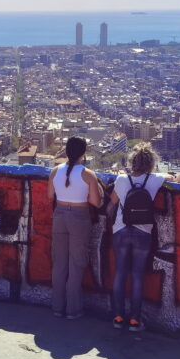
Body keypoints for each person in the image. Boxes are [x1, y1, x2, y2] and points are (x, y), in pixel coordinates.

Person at [106, 143, 165, 332]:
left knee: (120, 273)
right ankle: (134, 320)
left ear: (132, 162)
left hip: (121, 230)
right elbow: (175, 177)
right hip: (143, 232)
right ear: (151, 163)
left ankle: (117, 317)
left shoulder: (122, 179)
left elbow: (113, 202)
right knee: (138, 276)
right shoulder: (156, 180)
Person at [47, 136, 104, 319]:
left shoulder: (55, 171)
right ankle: (73, 310)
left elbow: (50, 196)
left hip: (59, 215)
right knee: (77, 263)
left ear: (66, 151)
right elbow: (95, 202)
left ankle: (57, 307)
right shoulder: (88, 174)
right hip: (79, 217)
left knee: (59, 263)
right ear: (83, 153)